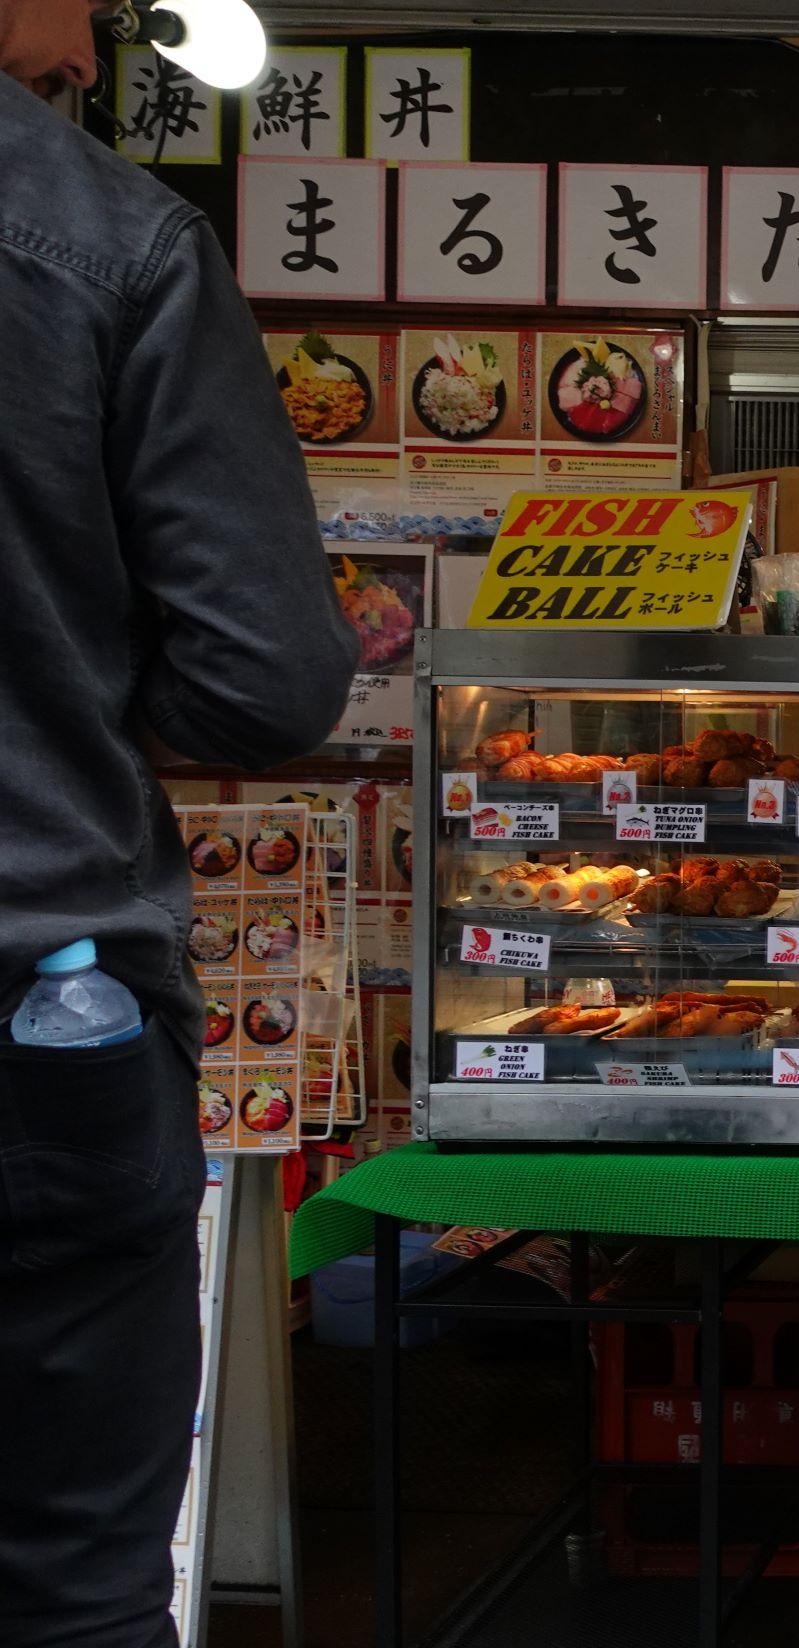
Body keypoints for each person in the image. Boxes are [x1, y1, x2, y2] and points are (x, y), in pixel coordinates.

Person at [0, 14, 360, 1646]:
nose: (88, 46)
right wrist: (81, 673)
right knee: (74, 1589)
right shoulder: (102, 238)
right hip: (33, 1005)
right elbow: (270, 680)